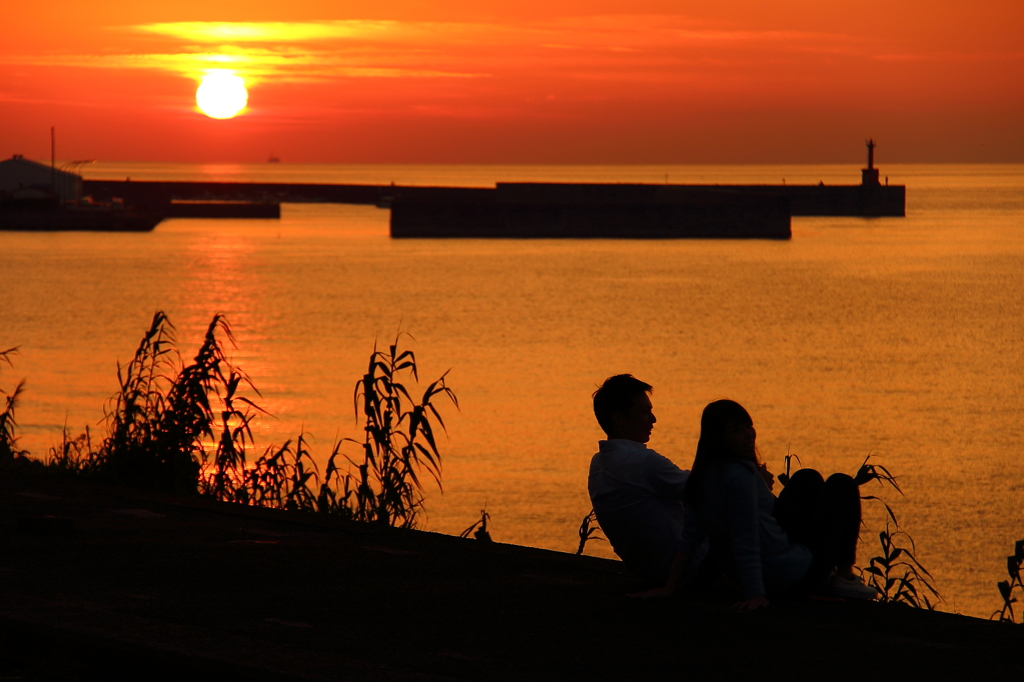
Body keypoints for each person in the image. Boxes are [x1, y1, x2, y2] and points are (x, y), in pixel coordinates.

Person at [642, 399, 877, 607]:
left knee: (807, 478)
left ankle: (835, 573)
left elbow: (691, 536)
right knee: (841, 484)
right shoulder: (738, 477)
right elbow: (745, 538)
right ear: (719, 438)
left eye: (747, 426)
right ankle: (844, 577)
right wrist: (756, 594)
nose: (748, 434)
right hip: (793, 577)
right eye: (737, 430)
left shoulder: (702, 476)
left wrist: (671, 586)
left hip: (777, 562)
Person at [588, 375, 701, 586]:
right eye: (644, 412)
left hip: (647, 570)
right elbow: (704, 488)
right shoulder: (642, 461)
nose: (653, 419)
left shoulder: (599, 463)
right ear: (619, 419)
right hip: (684, 568)